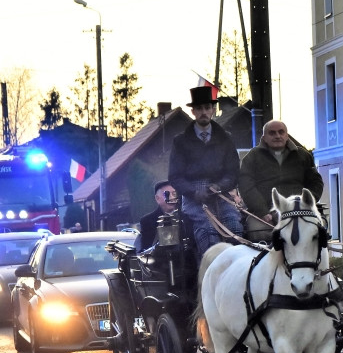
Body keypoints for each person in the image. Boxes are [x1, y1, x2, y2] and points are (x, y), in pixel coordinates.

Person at [167, 86, 243, 259]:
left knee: (235, 228)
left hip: (221, 193)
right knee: (208, 232)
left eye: (207, 108)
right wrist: (194, 191)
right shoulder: (180, 141)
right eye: (199, 108)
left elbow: (233, 172)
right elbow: (175, 177)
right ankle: (209, 277)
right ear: (193, 111)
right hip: (193, 197)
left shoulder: (226, 138)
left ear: (213, 110)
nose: (204, 112)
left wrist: (219, 186)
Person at [239, 120, 324, 242]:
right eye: (272, 133)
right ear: (264, 138)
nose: (277, 136)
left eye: (281, 132)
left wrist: (305, 204)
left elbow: (316, 183)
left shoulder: (303, 156)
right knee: (257, 231)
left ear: (287, 135)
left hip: (299, 210)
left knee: (317, 232)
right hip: (264, 213)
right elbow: (246, 185)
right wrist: (262, 211)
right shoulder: (252, 157)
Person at [138, 181, 179, 250]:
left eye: (174, 194)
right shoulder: (147, 221)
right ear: (157, 198)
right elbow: (146, 249)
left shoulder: (186, 216)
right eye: (167, 194)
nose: (172, 198)